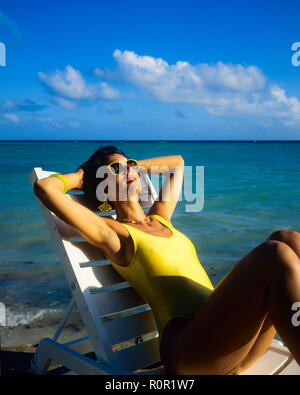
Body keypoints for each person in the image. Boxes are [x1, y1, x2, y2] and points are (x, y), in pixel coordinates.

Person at [34, 145, 300, 374]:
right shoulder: (114, 234)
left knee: (287, 238)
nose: (129, 172)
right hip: (191, 350)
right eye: (116, 171)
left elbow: (177, 163)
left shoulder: (160, 217)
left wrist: (132, 166)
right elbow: (46, 188)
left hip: (229, 342)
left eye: (131, 166)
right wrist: (83, 176)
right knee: (274, 254)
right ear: (102, 188)